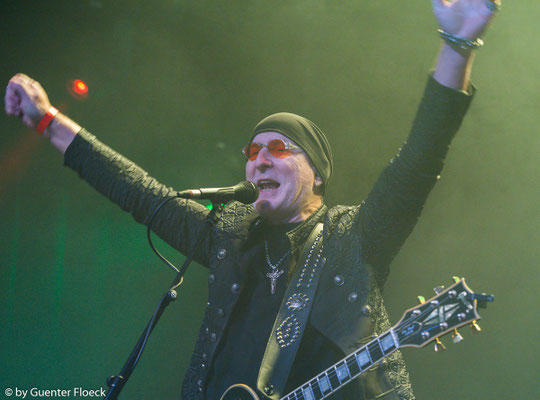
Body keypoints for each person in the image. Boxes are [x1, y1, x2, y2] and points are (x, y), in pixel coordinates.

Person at [4, 0, 500, 399]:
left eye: (278, 148)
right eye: (252, 152)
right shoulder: (229, 235)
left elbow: (418, 161)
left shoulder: (354, 237)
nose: (258, 160)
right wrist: (47, 121)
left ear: (317, 174)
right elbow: (137, 191)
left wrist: (457, 44)